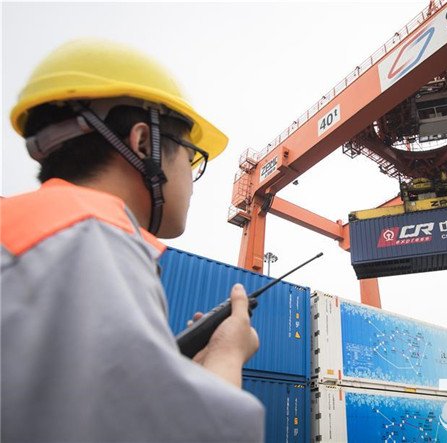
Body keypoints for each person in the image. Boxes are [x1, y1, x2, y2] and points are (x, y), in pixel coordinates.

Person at [1, 38, 264, 442]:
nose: (192, 180)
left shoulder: (31, 231)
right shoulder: (91, 240)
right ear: (144, 143)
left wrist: (178, 376)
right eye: (192, 158)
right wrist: (227, 356)